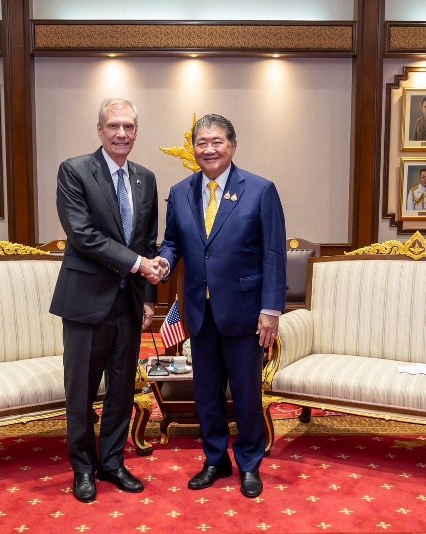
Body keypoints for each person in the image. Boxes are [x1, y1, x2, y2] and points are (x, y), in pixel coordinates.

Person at [158, 114, 287, 499]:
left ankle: (249, 462)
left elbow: (273, 254)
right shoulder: (180, 192)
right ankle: (215, 460)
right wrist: (164, 261)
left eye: (217, 142)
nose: (209, 149)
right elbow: (173, 242)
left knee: (246, 394)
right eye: (202, 142)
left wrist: (271, 310)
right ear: (193, 148)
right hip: (200, 311)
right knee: (207, 393)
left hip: (246, 312)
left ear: (232, 145)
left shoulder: (260, 190)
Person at [49, 97, 164, 504]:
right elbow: (82, 234)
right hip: (86, 301)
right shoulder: (75, 171)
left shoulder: (146, 178)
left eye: (128, 126)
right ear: (99, 130)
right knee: (81, 390)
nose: (121, 133)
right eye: (113, 126)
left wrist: (148, 298)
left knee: (121, 388)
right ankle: (83, 467)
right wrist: (138, 264)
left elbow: (148, 241)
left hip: (129, 303)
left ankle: (112, 462)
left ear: (136, 132)